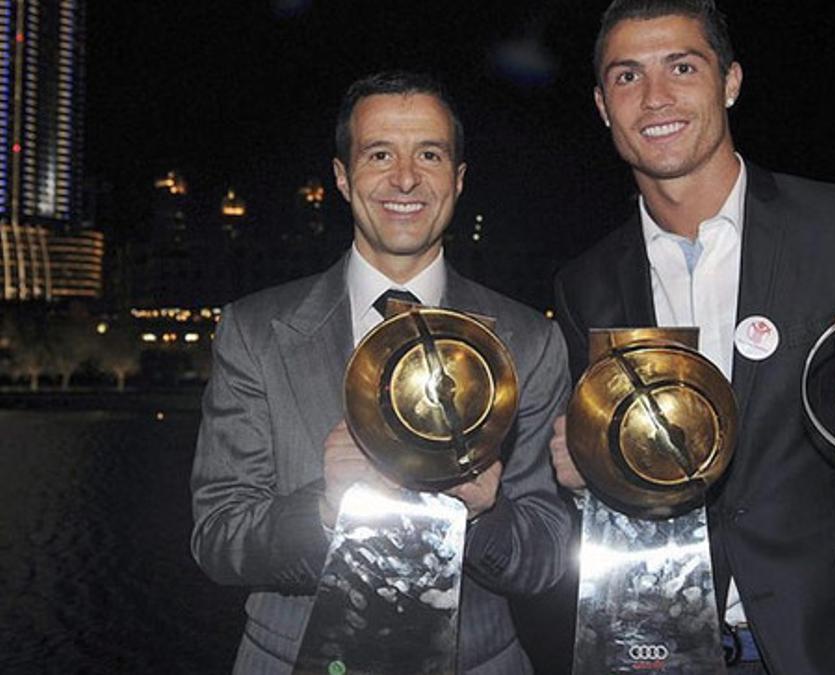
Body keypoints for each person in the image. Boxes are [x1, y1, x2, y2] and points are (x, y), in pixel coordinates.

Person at [550, 2, 835, 673]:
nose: (655, 97)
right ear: (601, 105)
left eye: (682, 66)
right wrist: (581, 471)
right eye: (627, 77)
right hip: (663, 649)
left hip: (834, 643)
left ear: (730, 81)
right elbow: (601, 475)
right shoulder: (583, 284)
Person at [191, 70, 571, 675]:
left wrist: (483, 514)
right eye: (379, 154)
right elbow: (217, 537)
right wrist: (325, 510)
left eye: (429, 154)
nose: (404, 178)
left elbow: (548, 556)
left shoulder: (529, 340)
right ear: (342, 178)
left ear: (458, 178)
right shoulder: (255, 330)